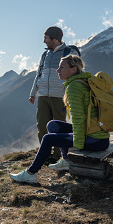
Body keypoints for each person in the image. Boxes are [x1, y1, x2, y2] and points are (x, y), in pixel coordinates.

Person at [10, 55, 110, 184]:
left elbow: (78, 120)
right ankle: (66, 161)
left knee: (47, 138)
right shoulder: (82, 82)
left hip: (95, 140)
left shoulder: (74, 88)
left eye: (62, 67)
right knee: (53, 125)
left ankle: (30, 173)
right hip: (96, 134)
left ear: (73, 70)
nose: (58, 70)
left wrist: (77, 146)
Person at [29, 26, 79, 161]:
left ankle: (58, 156)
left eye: (46, 38)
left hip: (60, 97)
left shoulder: (70, 52)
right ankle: (45, 154)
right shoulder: (45, 54)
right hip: (43, 95)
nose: (44, 41)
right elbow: (39, 74)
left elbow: (77, 73)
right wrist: (33, 93)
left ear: (55, 38)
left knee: (58, 127)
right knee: (42, 126)